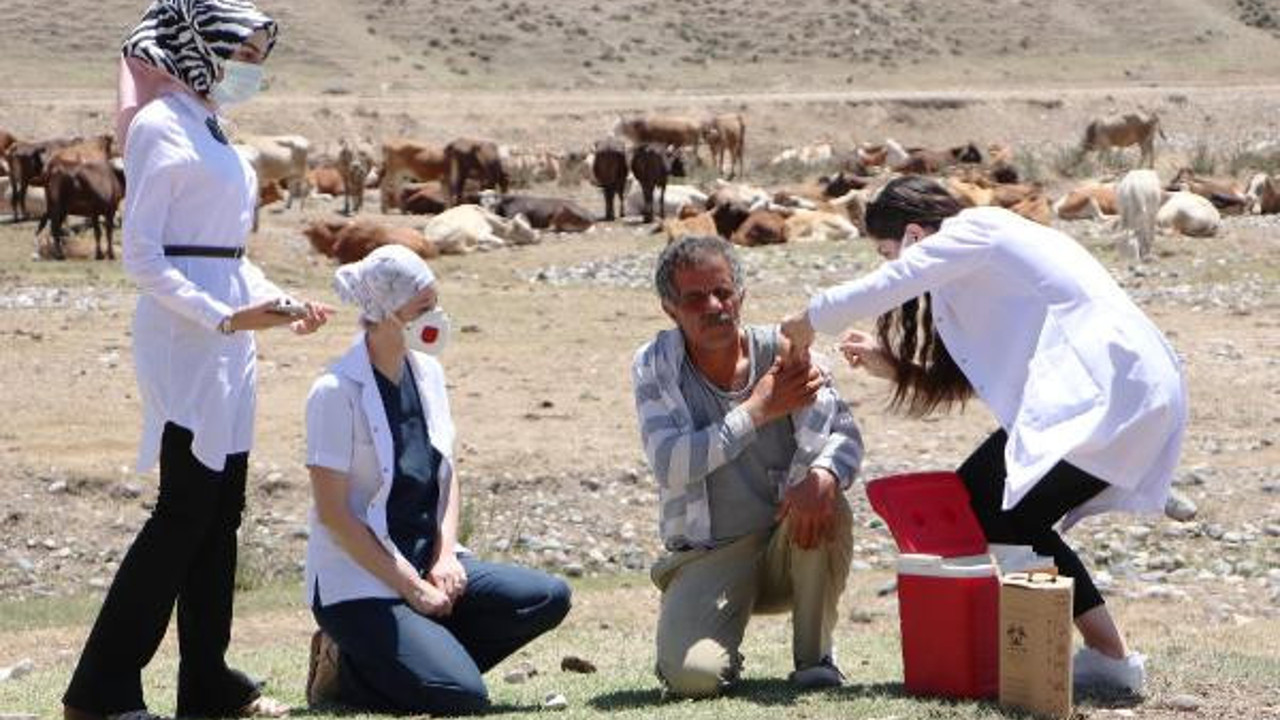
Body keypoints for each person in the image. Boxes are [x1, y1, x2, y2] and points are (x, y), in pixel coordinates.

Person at [780, 176, 1188, 694]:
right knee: (997, 509)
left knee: (986, 505)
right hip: (1121, 391)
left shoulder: (978, 229)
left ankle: (1103, 656)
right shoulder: (976, 260)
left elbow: (898, 279)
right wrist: (895, 367)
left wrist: (810, 317)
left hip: (1108, 393)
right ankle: (1102, 655)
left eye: (889, 252)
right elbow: (969, 372)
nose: (892, 264)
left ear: (912, 234)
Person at [63, 3, 332, 720]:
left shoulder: (211, 125)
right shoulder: (158, 125)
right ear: (202, 48)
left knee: (222, 512)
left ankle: (204, 681)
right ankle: (100, 688)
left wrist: (276, 302)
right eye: (241, 52)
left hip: (231, 334)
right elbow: (143, 257)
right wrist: (221, 315)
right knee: (184, 510)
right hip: (185, 336)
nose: (252, 67)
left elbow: (225, 253)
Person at [302, 245, 571, 715]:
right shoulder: (334, 392)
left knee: (546, 597)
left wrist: (446, 556)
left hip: (429, 561)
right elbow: (334, 515)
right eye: (423, 308)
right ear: (385, 312)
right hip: (361, 582)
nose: (437, 317)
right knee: (462, 698)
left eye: (436, 303)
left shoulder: (427, 372)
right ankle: (348, 670)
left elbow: (448, 474)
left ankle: (414, 657)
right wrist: (411, 587)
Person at [631, 235, 864, 697]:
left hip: (787, 541)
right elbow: (671, 464)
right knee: (692, 678)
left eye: (723, 293)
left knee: (825, 496)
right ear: (670, 309)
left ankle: (815, 659)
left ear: (741, 296)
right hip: (710, 551)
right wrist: (758, 410)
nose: (714, 306)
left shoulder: (786, 354)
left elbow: (845, 436)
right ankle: (719, 645)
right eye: (695, 298)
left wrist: (823, 475)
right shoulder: (655, 367)